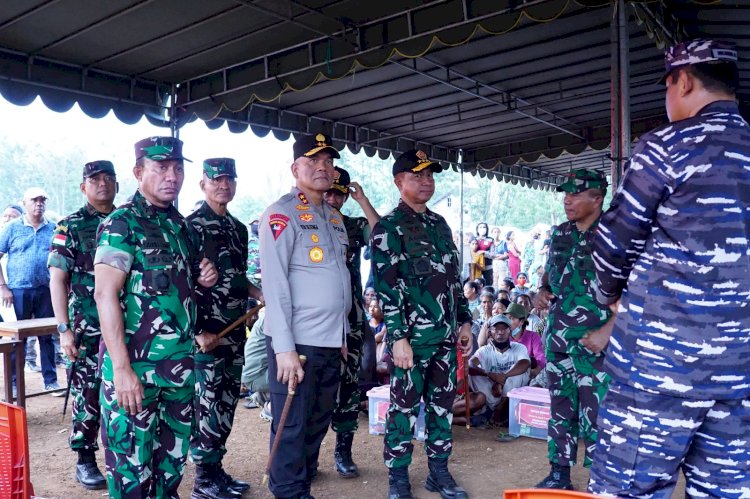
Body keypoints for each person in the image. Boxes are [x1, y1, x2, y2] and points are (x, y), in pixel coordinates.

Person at [588, 39, 750, 498]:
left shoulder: (668, 146)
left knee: (629, 490)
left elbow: (616, 242)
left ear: (683, 80)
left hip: (657, 369)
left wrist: (608, 296)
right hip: (740, 375)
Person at [93, 136, 218, 498]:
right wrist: (121, 370)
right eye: (161, 167)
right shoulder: (122, 224)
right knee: (131, 471)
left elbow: (187, 284)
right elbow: (105, 295)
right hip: (136, 372)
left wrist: (204, 276)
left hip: (178, 369)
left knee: (171, 468)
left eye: (178, 168)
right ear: (138, 172)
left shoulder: (181, 226)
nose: (172, 176)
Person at [370, 149, 473, 499]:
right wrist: (397, 337)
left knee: (443, 408)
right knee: (404, 409)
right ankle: (398, 478)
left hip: (444, 338)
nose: (426, 181)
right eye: (417, 176)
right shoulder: (388, 228)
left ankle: (439, 473)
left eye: (429, 175)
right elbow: (387, 288)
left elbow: (453, 280)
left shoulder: (440, 224)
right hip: (411, 342)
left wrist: (465, 322)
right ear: (399, 182)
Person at [259, 132, 351, 499]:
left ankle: (301, 485)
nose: (322, 168)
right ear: (295, 168)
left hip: (330, 342)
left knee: (317, 423)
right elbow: (276, 285)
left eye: (328, 162)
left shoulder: (333, 216)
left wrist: (342, 337)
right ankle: (288, 491)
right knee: (292, 426)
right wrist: (283, 349)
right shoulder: (281, 214)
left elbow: (340, 281)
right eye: (313, 161)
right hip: (296, 345)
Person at [533, 169, 613, 491]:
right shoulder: (560, 234)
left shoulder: (615, 236)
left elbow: (636, 290)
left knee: (598, 415)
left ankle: (601, 480)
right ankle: (559, 474)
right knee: (560, 409)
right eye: (565, 193)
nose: (568, 199)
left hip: (595, 343)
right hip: (558, 341)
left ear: (597, 198)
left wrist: (608, 331)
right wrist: (540, 291)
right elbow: (550, 279)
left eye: (576, 194)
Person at [188, 158, 263, 498]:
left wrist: (258, 293)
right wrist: (195, 332)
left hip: (233, 331)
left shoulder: (238, 228)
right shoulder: (190, 227)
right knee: (207, 404)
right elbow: (178, 285)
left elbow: (238, 277)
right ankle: (203, 479)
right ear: (203, 184)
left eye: (229, 179)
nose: (223, 185)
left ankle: (216, 469)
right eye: (216, 180)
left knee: (228, 401)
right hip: (206, 334)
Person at [48, 161, 118, 490]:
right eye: (95, 179)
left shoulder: (127, 222)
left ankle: (125, 456)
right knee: (87, 392)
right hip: (87, 329)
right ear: (83, 187)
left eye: (108, 178)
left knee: (125, 391)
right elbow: (57, 279)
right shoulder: (71, 226)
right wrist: (64, 330)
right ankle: (86, 459)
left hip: (126, 326)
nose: (102, 184)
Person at [323, 166, 380, 479]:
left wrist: (363, 200)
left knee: (349, 387)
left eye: (339, 193)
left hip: (352, 318)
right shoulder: (307, 221)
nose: (333, 198)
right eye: (329, 191)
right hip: (316, 321)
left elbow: (382, 235)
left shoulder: (354, 224)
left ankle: (343, 453)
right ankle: (307, 457)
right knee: (316, 390)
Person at [0, 187, 60, 392]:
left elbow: (61, 260)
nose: (39, 204)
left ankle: (51, 381)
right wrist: (3, 287)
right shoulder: (12, 228)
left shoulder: (53, 228)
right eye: (34, 200)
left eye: (43, 200)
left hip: (46, 289)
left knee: (47, 336)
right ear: (24, 203)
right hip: (18, 291)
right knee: (19, 338)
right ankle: (16, 383)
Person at [468, 314, 530, 430]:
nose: (500, 332)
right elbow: (470, 364)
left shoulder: (519, 347)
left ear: (510, 331)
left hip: (508, 394)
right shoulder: (484, 350)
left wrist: (502, 379)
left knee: (518, 373)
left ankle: (501, 407)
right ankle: (493, 409)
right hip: (492, 393)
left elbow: (525, 363)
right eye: (496, 328)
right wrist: (490, 374)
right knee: (473, 374)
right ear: (490, 331)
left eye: (504, 328)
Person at [504, 303, 545, 380]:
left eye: (511, 318)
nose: (507, 322)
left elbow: (540, 357)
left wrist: (534, 372)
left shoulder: (533, 336)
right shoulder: (504, 337)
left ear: (521, 321)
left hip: (526, 373)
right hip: (507, 373)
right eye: (506, 318)